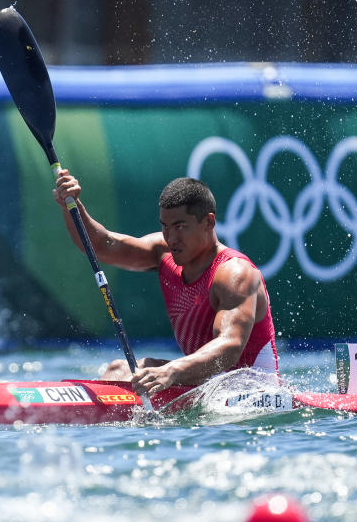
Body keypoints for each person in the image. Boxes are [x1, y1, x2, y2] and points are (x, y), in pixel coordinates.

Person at [53, 169, 278, 396]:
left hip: (252, 391)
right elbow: (102, 246)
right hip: (204, 384)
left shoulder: (234, 273)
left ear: (209, 222)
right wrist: (71, 205)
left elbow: (230, 347)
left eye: (180, 227)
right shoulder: (164, 254)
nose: (171, 238)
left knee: (136, 371)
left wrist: (172, 370)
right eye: (165, 226)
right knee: (118, 370)